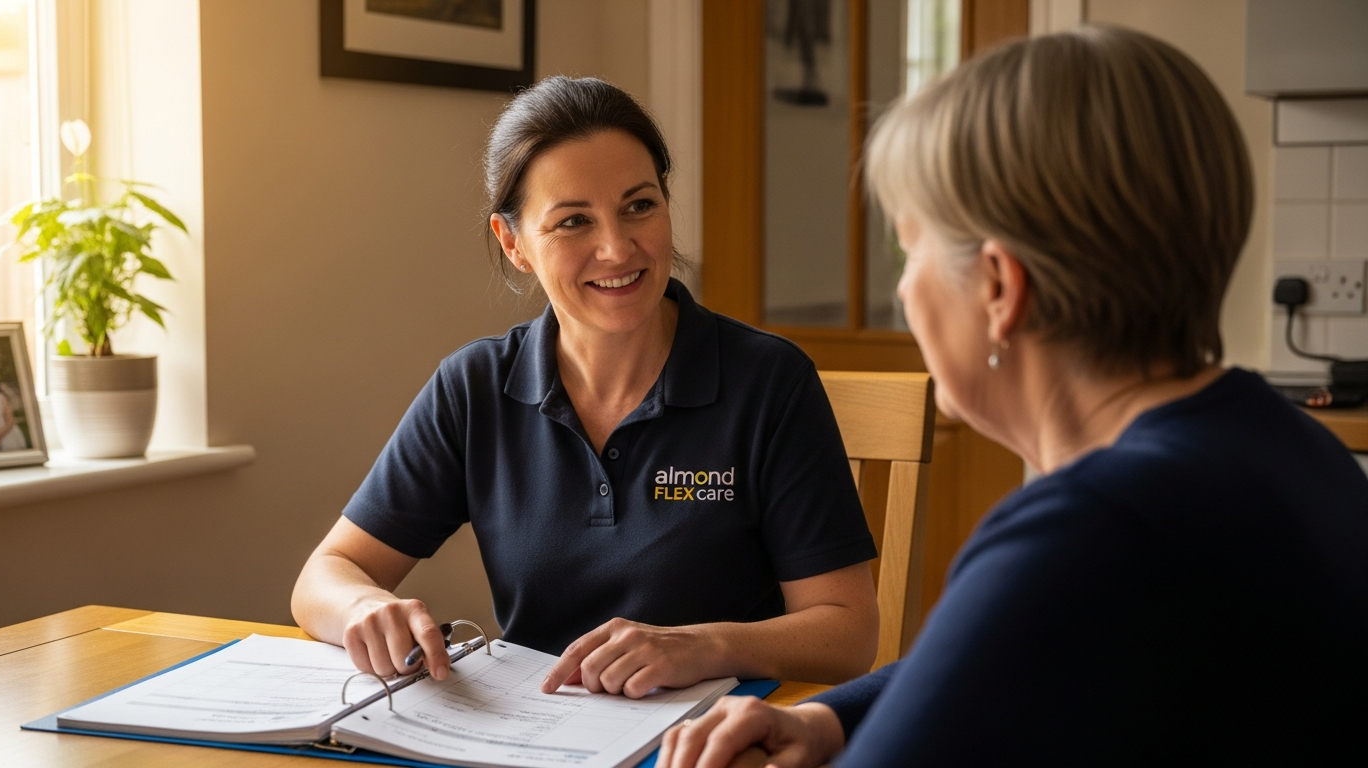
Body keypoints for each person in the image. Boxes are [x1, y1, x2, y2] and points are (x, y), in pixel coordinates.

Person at [657, 26, 1368, 768]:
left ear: (998, 287)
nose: (902, 290)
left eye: (910, 249)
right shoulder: (1279, 442)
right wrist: (828, 720)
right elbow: (990, 658)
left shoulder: (1088, 529)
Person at [292, 76, 880, 698]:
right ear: (513, 243)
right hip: (533, 735)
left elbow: (848, 634)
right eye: (574, 221)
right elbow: (327, 574)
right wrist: (362, 609)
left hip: (712, 740)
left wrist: (704, 647)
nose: (617, 247)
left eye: (639, 206)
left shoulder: (769, 382)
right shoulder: (474, 388)